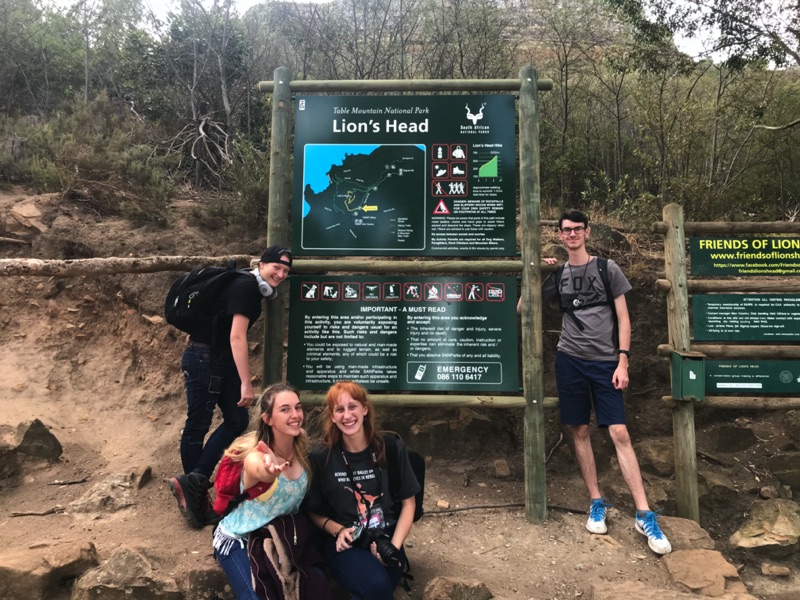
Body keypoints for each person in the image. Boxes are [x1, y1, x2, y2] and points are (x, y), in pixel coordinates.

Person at [519, 209, 671, 555]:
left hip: (606, 363)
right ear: (560, 235)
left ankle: (644, 513)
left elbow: (624, 318)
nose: (572, 234)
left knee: (620, 432)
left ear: (587, 232)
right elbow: (522, 309)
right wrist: (537, 271)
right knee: (580, 430)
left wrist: (623, 360)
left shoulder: (607, 269)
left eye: (577, 229)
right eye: (566, 230)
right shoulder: (558, 275)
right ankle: (596, 501)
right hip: (569, 360)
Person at [169, 246, 292, 528]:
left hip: (216, 357)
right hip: (206, 358)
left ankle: (195, 480)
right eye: (276, 267)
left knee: (236, 419)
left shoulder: (245, 284)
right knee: (198, 424)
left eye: (286, 271)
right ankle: (195, 494)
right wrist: (246, 383)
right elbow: (237, 337)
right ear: (262, 264)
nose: (281, 274)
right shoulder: (246, 287)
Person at [212, 383, 331, 600]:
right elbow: (259, 469)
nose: (295, 415)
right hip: (240, 538)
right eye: (285, 409)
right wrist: (269, 471)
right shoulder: (256, 456)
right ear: (267, 419)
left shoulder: (300, 443)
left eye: (297, 407)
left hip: (281, 536)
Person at [307, 381, 420, 599]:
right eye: (339, 410)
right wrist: (338, 530)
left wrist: (393, 548)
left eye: (353, 407)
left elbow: (409, 504)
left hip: (387, 540)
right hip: (347, 543)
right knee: (377, 585)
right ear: (332, 416)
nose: (347, 415)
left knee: (370, 591)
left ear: (365, 409)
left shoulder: (390, 447)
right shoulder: (322, 458)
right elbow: (313, 511)